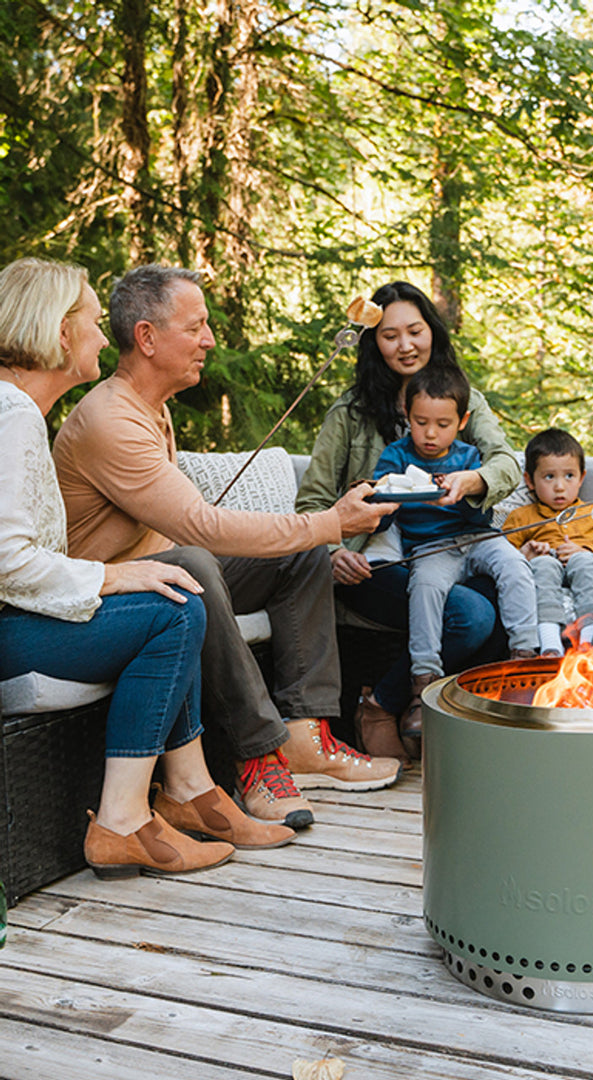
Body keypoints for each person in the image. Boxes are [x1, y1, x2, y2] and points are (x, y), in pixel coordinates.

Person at [52, 265, 401, 831]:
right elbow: (201, 527)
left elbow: (187, 526)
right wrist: (330, 522)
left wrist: (315, 533)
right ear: (147, 338)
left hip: (165, 570)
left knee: (299, 554)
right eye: (196, 327)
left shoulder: (152, 408)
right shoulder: (109, 420)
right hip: (110, 597)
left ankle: (306, 737)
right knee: (197, 562)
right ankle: (258, 757)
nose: (209, 341)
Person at [0, 257, 295, 878]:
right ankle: (123, 821)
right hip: (9, 626)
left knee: (173, 585)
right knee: (175, 605)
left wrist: (132, 571)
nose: (105, 338)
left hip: (27, 612)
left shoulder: (23, 410)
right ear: (58, 331)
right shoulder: (11, 414)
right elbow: (7, 561)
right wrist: (112, 577)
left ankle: (188, 790)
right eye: (89, 321)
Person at [295, 280, 521, 767]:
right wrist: (334, 554)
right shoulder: (351, 414)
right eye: (390, 335)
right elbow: (311, 500)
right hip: (372, 561)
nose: (405, 345)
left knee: (506, 593)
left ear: (432, 334)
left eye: (415, 331)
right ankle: (380, 705)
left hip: (448, 541)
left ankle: (484, 739)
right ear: (373, 342)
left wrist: (476, 479)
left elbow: (506, 461)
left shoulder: (465, 400)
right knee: (468, 615)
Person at [373, 365, 538, 733]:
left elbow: (482, 516)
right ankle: (421, 685)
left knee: (515, 566)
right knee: (425, 588)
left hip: (476, 539)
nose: (431, 434)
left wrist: (464, 493)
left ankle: (526, 660)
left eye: (442, 424)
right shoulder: (396, 457)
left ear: (462, 421)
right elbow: (379, 516)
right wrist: (386, 495)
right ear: (407, 414)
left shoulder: (468, 458)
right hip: (432, 548)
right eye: (421, 422)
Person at [502, 428, 593, 656]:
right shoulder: (522, 517)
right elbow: (502, 556)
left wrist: (587, 551)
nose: (560, 487)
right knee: (543, 565)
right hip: (545, 564)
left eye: (569, 476)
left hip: (586, 564)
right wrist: (525, 553)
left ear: (581, 478)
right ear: (529, 481)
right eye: (549, 477)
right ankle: (550, 643)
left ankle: (589, 641)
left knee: (584, 562)